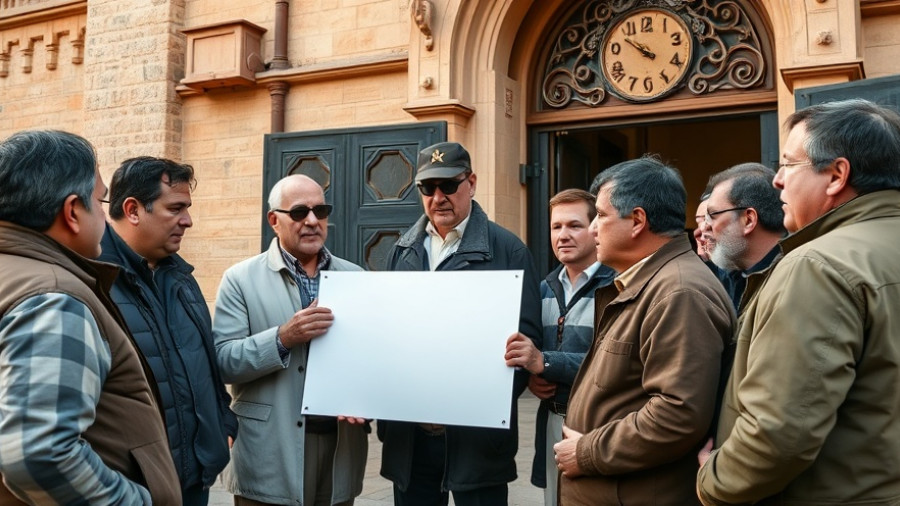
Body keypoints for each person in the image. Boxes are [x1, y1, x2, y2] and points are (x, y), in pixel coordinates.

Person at [697, 99, 900, 505]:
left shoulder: (816, 265)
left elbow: (780, 434)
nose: (777, 181)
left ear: (837, 175)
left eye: (788, 165)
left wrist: (714, 481)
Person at [0, 130, 180, 504]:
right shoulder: (52, 297)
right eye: (100, 201)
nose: (105, 213)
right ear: (72, 212)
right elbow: (37, 455)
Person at [554, 156, 735, 505]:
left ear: (637, 220)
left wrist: (587, 452)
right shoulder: (650, 283)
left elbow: (677, 413)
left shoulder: (680, 291)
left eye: (601, 217)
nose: (592, 230)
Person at [379, 141, 542, 505]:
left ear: (472, 182)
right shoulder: (401, 251)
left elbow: (526, 340)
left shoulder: (509, 251)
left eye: (448, 186)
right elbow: (384, 338)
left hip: (477, 441)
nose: (438, 197)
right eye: (427, 188)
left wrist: (482, 402)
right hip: (412, 441)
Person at [213, 174, 368, 506]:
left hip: (340, 448)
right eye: (299, 212)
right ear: (274, 220)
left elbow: (374, 360)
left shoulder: (356, 277)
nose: (312, 221)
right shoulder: (240, 279)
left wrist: (367, 402)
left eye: (320, 210)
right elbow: (224, 361)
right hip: (269, 452)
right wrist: (283, 338)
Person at [98, 156, 237, 505]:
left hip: (194, 479)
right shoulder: (95, 282)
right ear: (133, 210)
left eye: (187, 208)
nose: (187, 221)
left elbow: (204, 360)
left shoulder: (181, 278)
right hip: (132, 489)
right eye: (175, 208)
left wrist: (223, 424)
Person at [504, 189, 615, 506]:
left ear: (595, 228)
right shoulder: (542, 288)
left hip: (600, 427)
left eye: (574, 225)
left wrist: (546, 363)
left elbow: (611, 363)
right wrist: (532, 378)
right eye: (556, 227)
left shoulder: (619, 286)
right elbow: (531, 354)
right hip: (553, 421)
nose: (563, 235)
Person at [700, 163, 784, 311]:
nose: (704, 227)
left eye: (713, 215)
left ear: (748, 220)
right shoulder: (729, 278)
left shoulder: (790, 282)